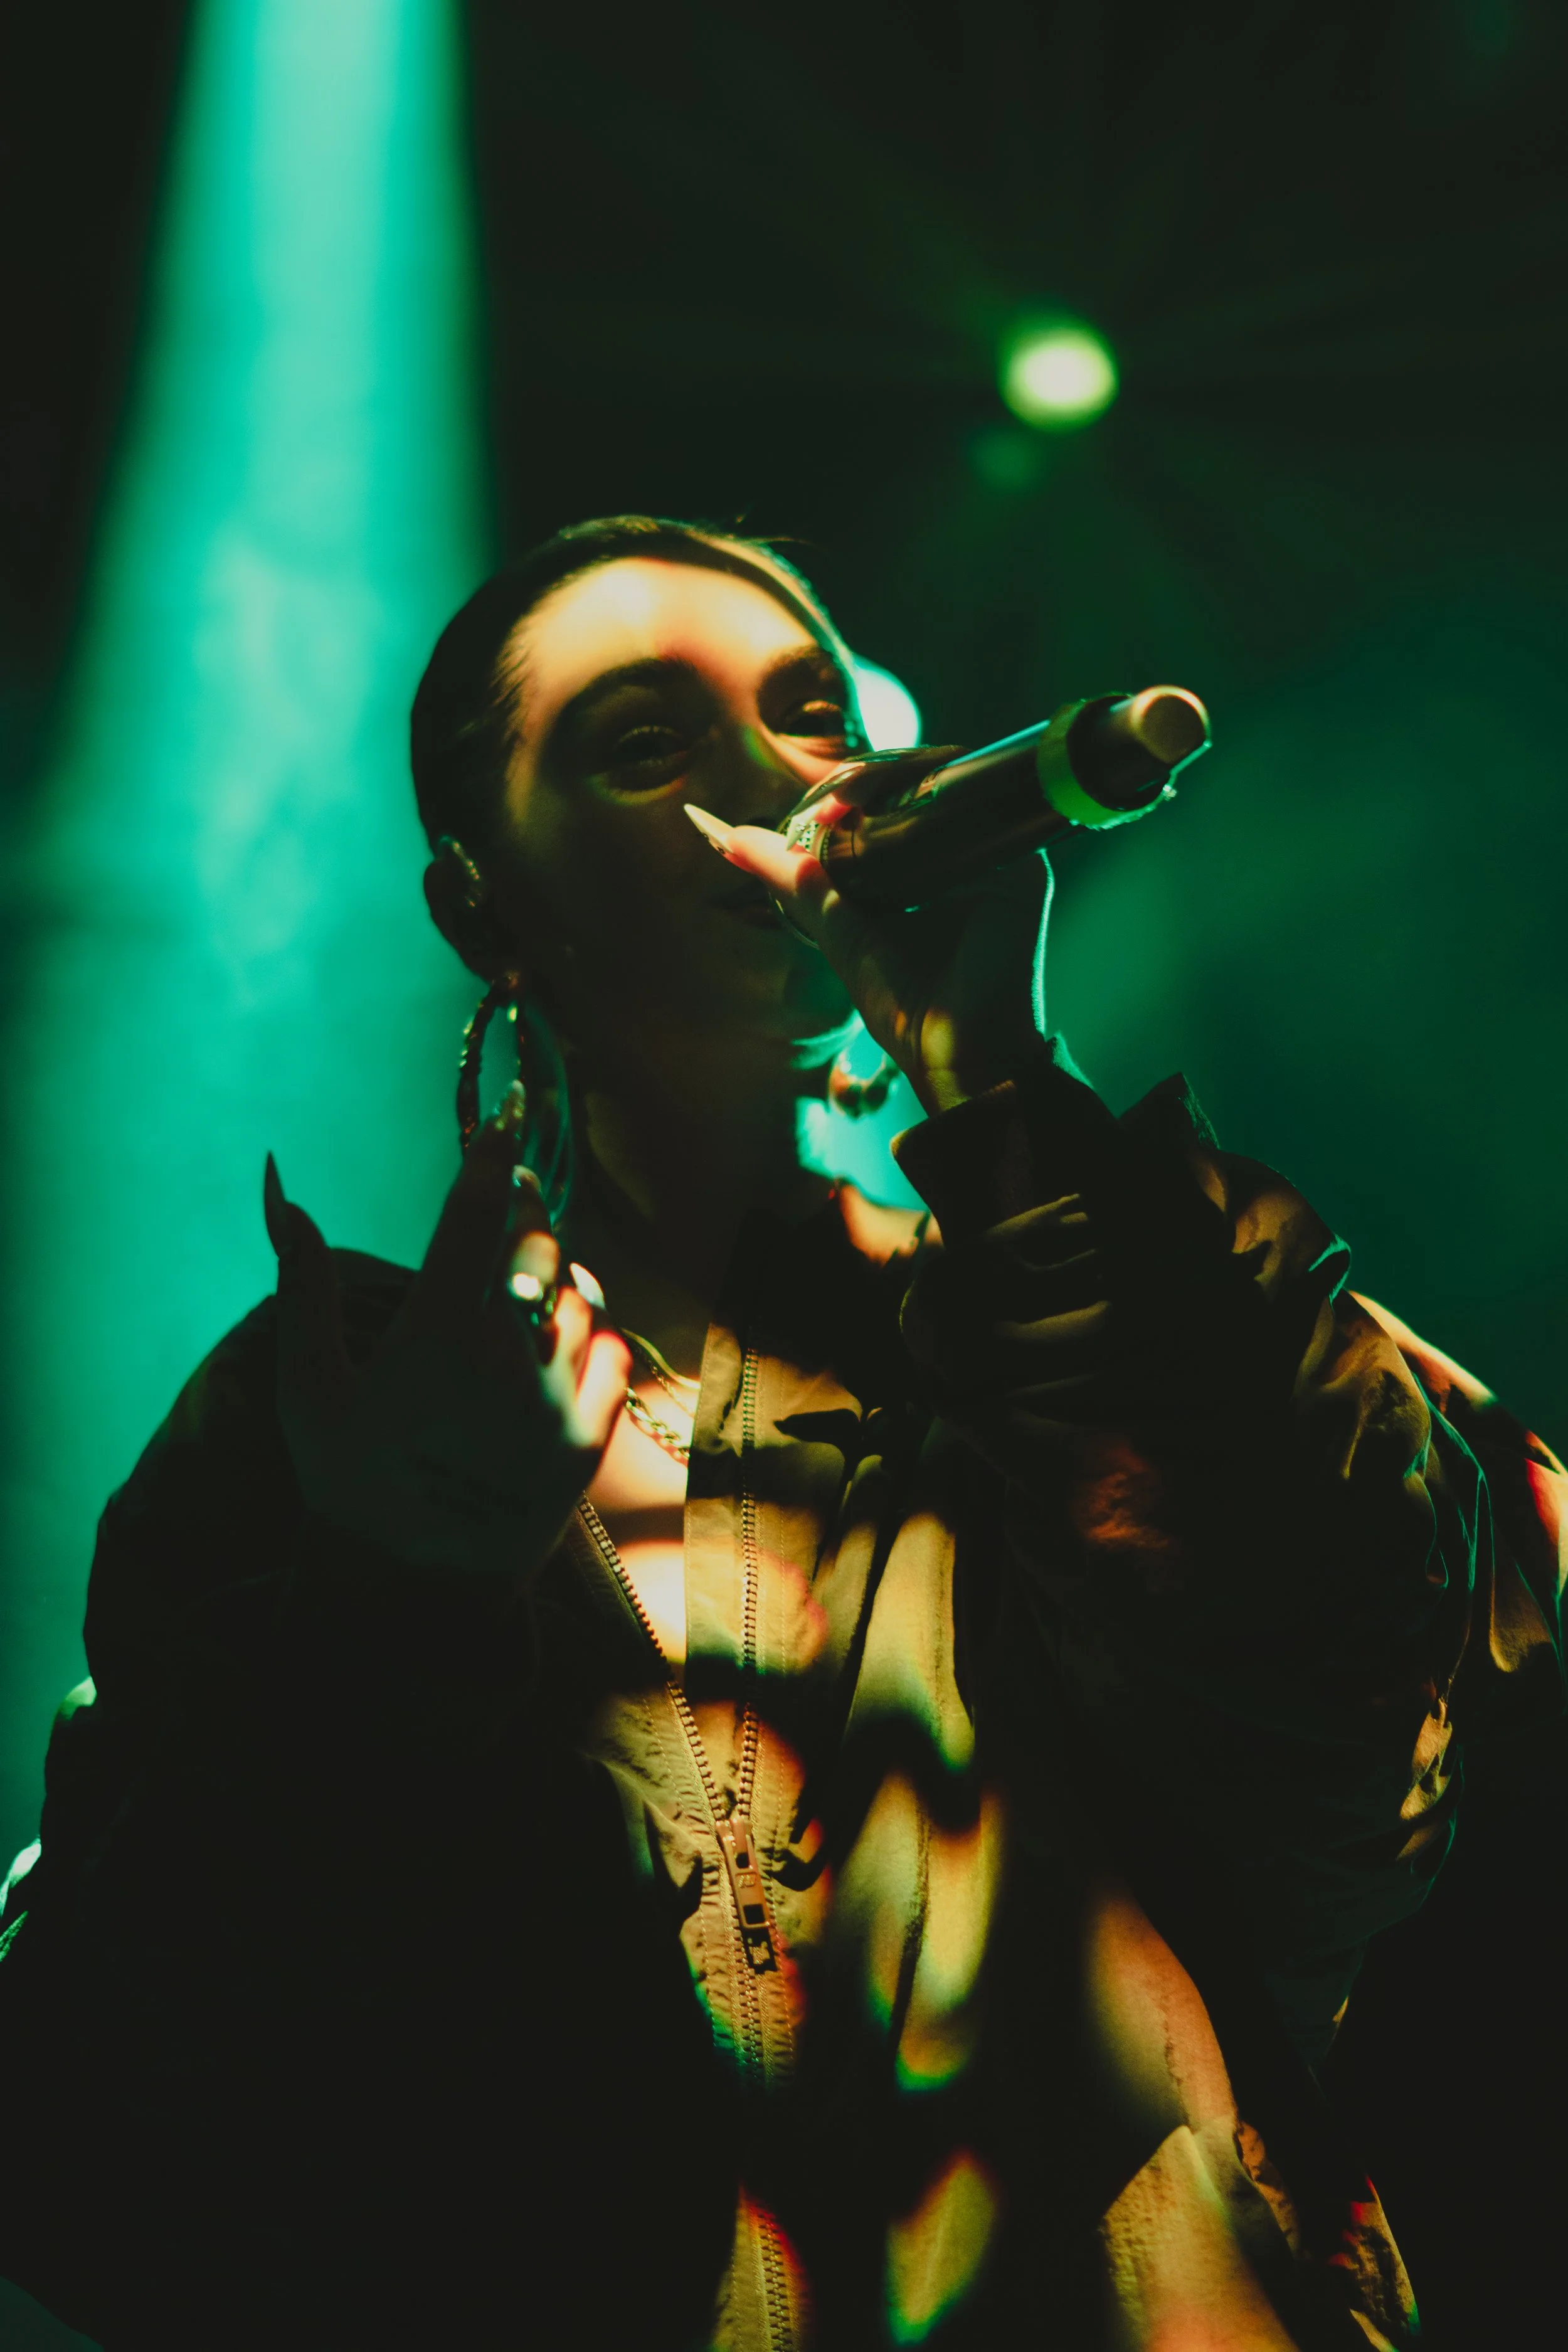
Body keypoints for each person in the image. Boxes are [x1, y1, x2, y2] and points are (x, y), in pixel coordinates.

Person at [1, 514, 1562, 2351]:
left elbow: (1352, 1721)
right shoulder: (328, 1409)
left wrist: (1003, 1090)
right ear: (480, 903)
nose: (772, 776)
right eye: (645, 741)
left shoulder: (1082, 1300)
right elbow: (124, 2134)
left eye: (810, 716)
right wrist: (387, 1608)